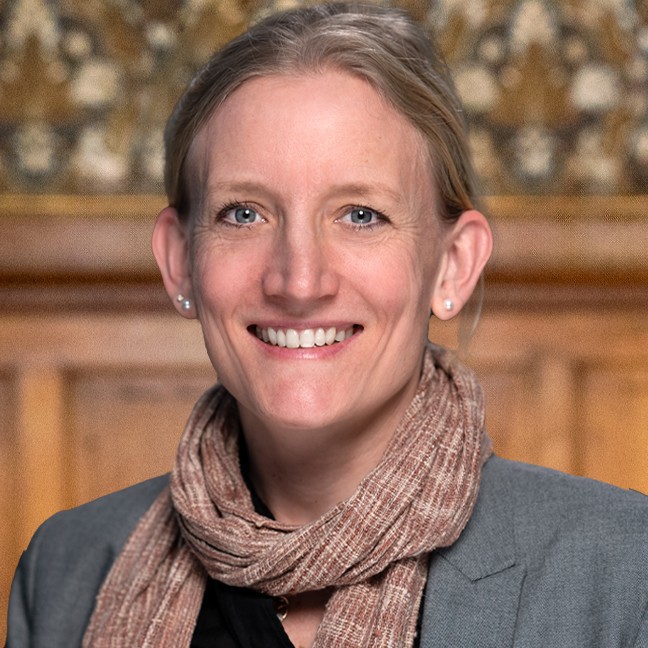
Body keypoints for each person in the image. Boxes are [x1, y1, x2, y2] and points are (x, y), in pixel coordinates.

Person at [7, 3, 648, 647]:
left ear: (453, 265)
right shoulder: (65, 571)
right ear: (180, 261)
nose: (299, 281)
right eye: (244, 213)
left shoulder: (622, 571)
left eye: (361, 215)